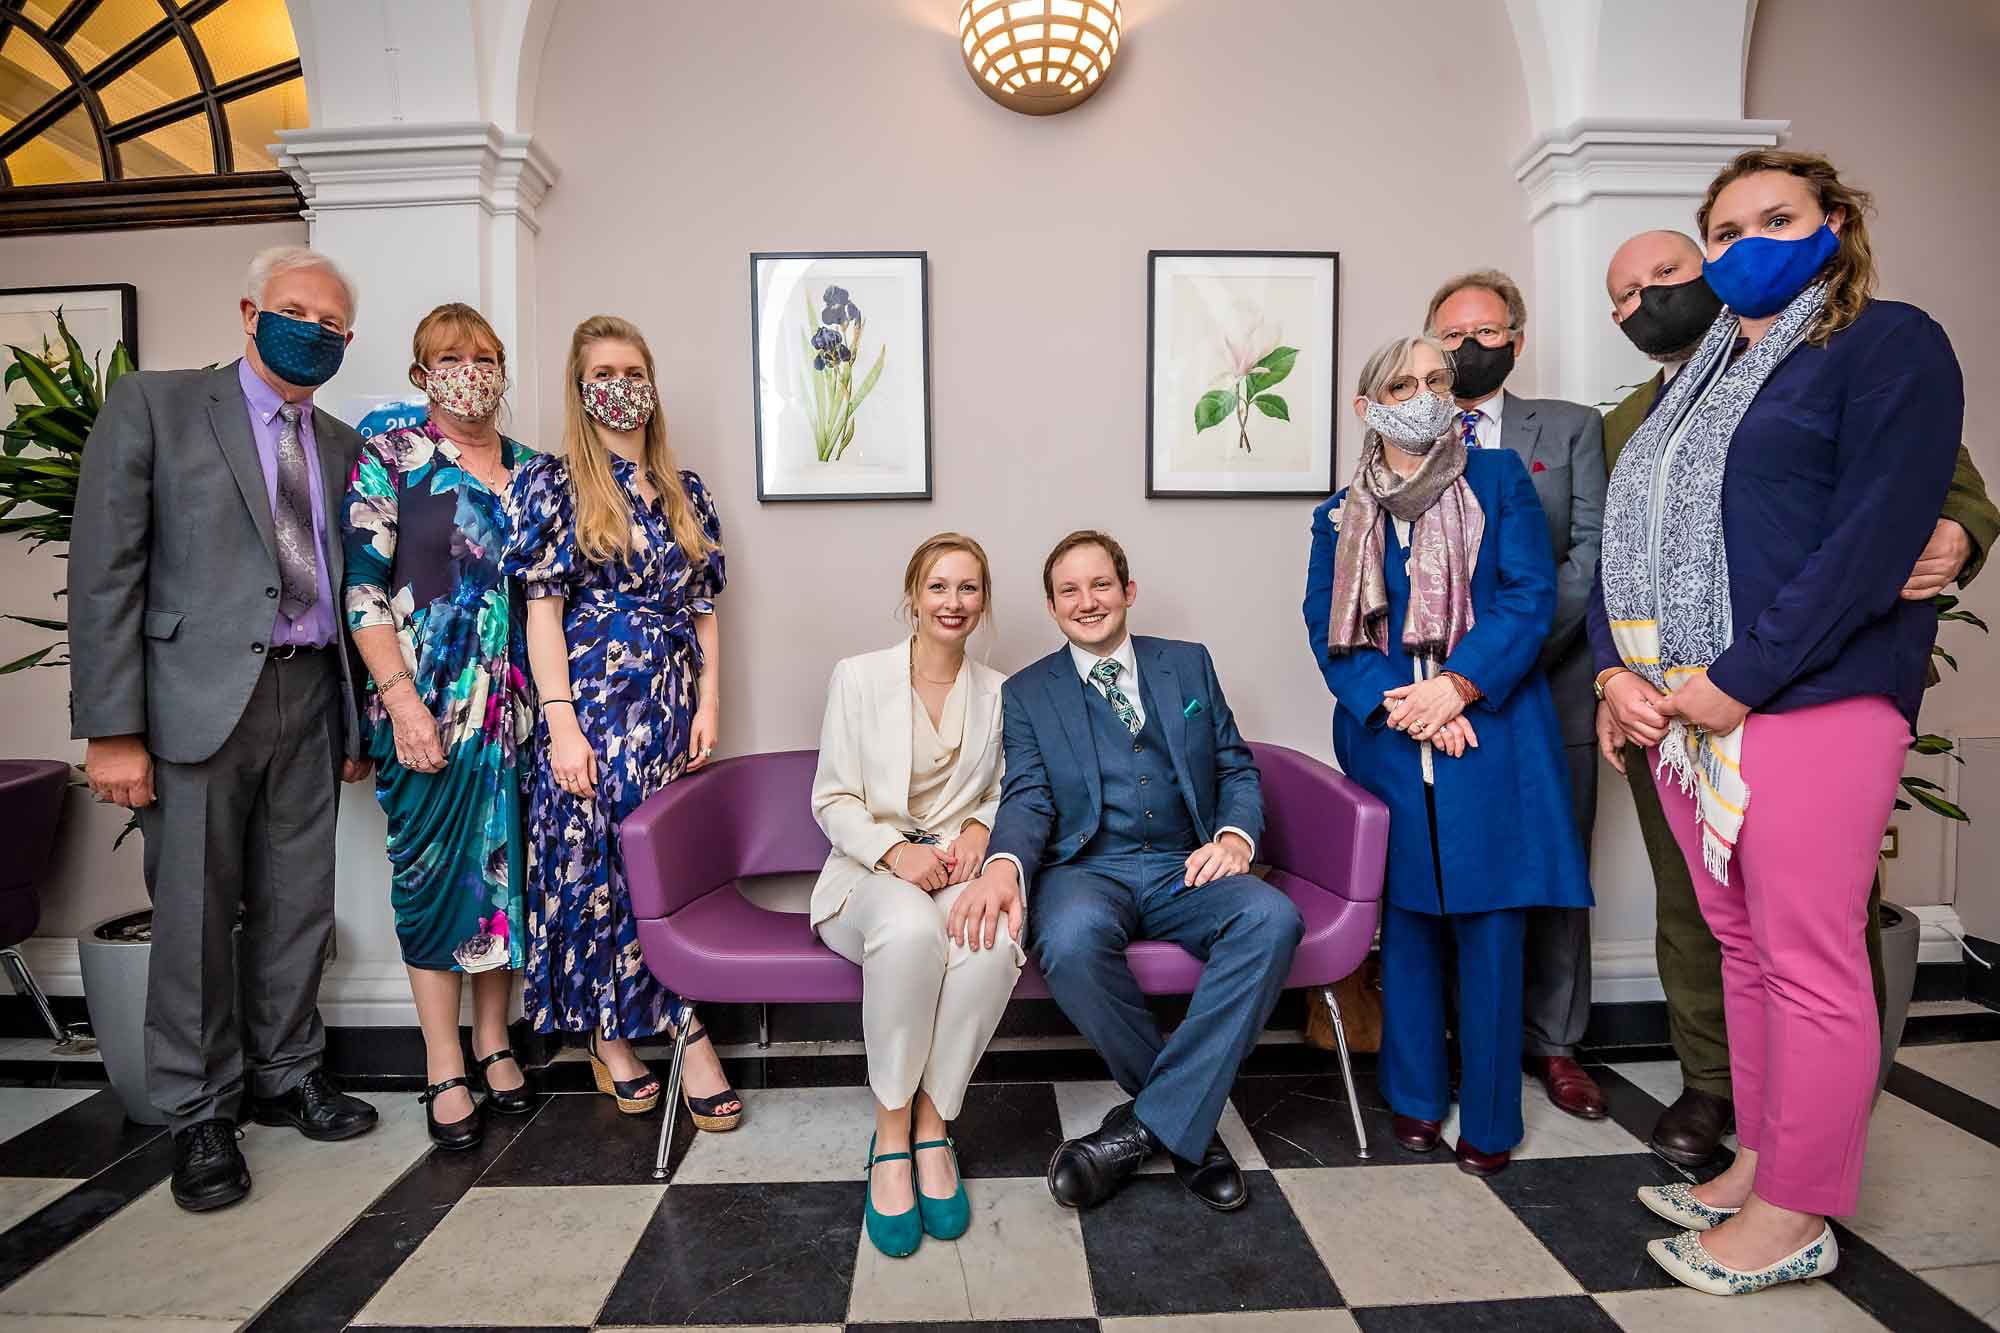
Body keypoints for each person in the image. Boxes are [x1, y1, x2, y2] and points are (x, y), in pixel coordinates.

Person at [1591, 150, 1964, 1295]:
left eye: (1776, 218)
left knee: (1808, 958)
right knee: (1740, 944)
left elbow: (1871, 539)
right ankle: (1757, 1158)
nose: (1747, 242)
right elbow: (1626, 544)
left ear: (1832, 221)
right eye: (1726, 228)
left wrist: (1739, 676)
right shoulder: (1687, 380)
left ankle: (1796, 1209)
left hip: (1805, 696)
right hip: (1677, 711)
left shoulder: (1882, 344)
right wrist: (1617, 674)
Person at [70, 245, 379, 1212]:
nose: (313, 332)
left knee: (298, 900)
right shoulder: (157, 406)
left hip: (310, 695)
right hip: (194, 703)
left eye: (332, 325)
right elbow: (106, 570)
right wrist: (112, 729)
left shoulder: (338, 443)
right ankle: (201, 1110)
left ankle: (289, 1071)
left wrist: (360, 715)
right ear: (250, 312)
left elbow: (351, 584)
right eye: (296, 312)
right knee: (196, 909)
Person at [1304, 335, 1591, 1177]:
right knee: (1413, 925)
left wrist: (1457, 687)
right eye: (1403, 381)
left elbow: (1530, 597)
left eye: (1436, 379)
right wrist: (1410, 706)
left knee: (1493, 928)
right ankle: (1418, 1100)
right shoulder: (1337, 511)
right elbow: (1331, 627)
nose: (1424, 392)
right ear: (1368, 406)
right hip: (1391, 738)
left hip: (1490, 729)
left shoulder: (1498, 480)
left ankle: (1493, 1117)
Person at [955, 530, 1300, 1214]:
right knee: (1071, 940)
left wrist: (1234, 836)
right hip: (1089, 866)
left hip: (1184, 861)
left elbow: (1234, 765)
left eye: (1101, 585)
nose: (1089, 602)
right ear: (1053, 608)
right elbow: (1029, 793)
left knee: (1272, 918)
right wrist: (1001, 864)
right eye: (1070, 591)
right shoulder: (1028, 693)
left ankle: (1144, 1127)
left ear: (1128, 591)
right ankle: (1189, 1131)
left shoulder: (1188, 665)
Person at [502, 314, 741, 1130]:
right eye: (603, 370)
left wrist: (710, 702)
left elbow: (702, 608)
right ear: (581, 386)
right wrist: (563, 726)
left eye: (634, 368)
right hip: (596, 705)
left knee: (656, 869)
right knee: (595, 871)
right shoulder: (555, 483)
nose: (621, 384)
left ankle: (656, 1023)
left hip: (669, 708)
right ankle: (646, 1034)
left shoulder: (685, 488)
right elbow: (540, 614)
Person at [342, 303, 537, 1150]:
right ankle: (441, 1061)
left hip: (517, 716)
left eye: (484, 355)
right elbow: (362, 586)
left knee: (504, 883)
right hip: (426, 710)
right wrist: (400, 698)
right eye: (450, 357)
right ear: (422, 371)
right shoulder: (389, 456)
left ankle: (494, 1041)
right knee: (431, 883)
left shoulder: (534, 471)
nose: (471, 368)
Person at [1424, 270, 1609, 1121]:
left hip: (1548, 687)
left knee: (1552, 868)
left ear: (1516, 339)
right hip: (1435, 705)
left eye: (1487, 331)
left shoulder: (1569, 431)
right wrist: (1447, 684)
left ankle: (1557, 1044)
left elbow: (1584, 561)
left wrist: (1493, 667)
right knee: (1455, 870)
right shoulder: (1407, 433)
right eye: (1453, 333)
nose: (1470, 346)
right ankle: (1469, 1041)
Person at [810, 533, 1017, 1258]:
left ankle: (935, 1125)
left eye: (968, 588)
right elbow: (831, 797)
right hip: (866, 879)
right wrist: (895, 851)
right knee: (908, 929)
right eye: (938, 586)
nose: (952, 602)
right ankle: (891, 1132)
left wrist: (975, 831)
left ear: (983, 601)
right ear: (913, 595)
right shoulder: (858, 678)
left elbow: (1000, 790)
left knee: (992, 941)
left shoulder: (998, 693)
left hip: (954, 878)